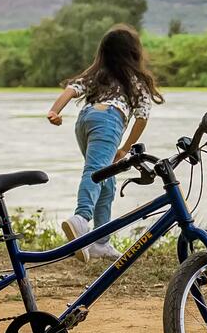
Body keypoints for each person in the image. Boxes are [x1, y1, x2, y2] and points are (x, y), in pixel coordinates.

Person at [47, 25, 162, 260]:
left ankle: (100, 242)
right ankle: (81, 218)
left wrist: (55, 111)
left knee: (106, 183)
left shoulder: (97, 74)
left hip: (85, 121)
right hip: (108, 121)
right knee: (96, 171)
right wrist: (126, 148)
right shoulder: (136, 80)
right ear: (133, 53)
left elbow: (71, 90)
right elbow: (142, 117)